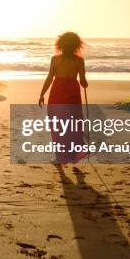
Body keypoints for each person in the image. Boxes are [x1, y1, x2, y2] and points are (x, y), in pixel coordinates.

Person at [38, 32, 88, 163]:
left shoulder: (55, 59)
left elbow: (50, 77)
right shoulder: (79, 60)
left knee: (57, 123)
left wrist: (42, 94)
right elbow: (83, 81)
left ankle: (61, 157)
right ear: (76, 45)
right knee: (73, 122)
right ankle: (75, 153)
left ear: (61, 44)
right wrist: (84, 82)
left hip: (58, 90)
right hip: (72, 90)